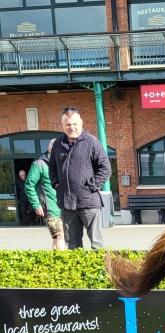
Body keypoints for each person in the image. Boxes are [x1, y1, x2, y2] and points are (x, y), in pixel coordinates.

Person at [48, 106, 111, 249]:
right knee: (72, 245)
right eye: (68, 124)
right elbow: (51, 166)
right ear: (63, 125)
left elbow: (105, 168)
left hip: (88, 202)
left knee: (96, 243)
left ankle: (99, 271)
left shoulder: (91, 142)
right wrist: (56, 183)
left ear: (81, 123)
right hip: (67, 203)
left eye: (74, 124)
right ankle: (77, 271)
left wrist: (91, 187)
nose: (71, 127)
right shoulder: (58, 144)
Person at [25, 138, 66, 250]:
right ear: (50, 149)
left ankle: (54, 263)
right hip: (51, 207)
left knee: (57, 237)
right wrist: (36, 205)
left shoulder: (61, 163)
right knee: (60, 236)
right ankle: (61, 264)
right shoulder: (39, 164)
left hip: (65, 206)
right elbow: (29, 185)